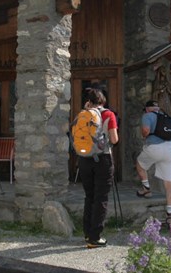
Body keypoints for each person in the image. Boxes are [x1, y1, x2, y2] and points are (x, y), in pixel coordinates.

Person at [77, 88, 119, 249]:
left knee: (89, 196)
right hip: (102, 159)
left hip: (84, 159)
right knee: (101, 198)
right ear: (103, 100)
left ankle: (87, 233)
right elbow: (114, 139)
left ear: (88, 101)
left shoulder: (83, 114)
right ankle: (95, 237)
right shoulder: (108, 114)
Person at [135, 100, 171, 226]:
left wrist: (144, 134)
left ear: (147, 109)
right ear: (157, 108)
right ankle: (170, 215)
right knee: (168, 184)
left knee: (139, 164)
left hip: (153, 147)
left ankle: (146, 188)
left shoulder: (147, 116)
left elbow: (146, 130)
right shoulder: (169, 118)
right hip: (169, 149)